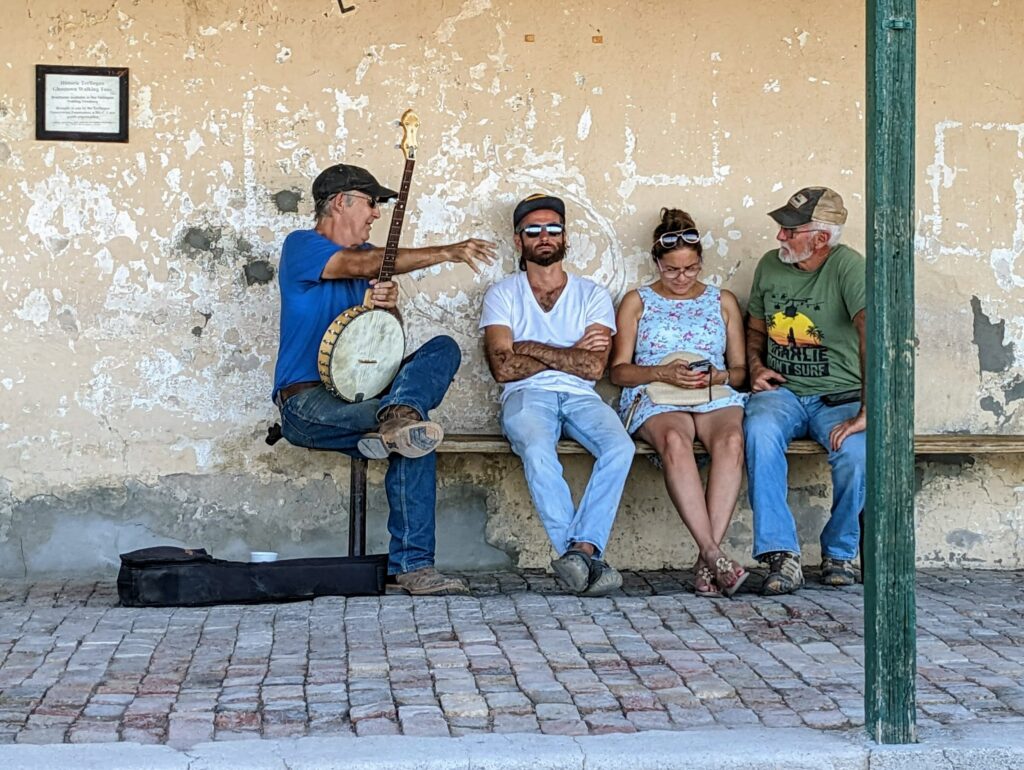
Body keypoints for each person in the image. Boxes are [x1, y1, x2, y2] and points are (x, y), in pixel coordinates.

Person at [272, 163, 496, 595]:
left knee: (436, 365)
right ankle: (412, 560)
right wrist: (448, 251)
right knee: (416, 432)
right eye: (371, 203)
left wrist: (388, 308)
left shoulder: (366, 262)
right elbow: (364, 263)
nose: (376, 214)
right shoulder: (302, 246)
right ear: (342, 202)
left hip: (367, 396)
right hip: (306, 404)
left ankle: (399, 417)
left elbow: (381, 350)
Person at [480, 194, 635, 596]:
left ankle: (580, 551)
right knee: (536, 447)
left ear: (566, 237)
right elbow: (503, 368)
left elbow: (593, 369)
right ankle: (582, 557)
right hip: (526, 395)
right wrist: (570, 352)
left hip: (582, 396)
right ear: (519, 241)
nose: (544, 236)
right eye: (533, 230)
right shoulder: (503, 294)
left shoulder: (592, 295)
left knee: (620, 447)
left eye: (553, 228)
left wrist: (528, 346)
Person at [609, 208, 749, 597]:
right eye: (672, 270)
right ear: (657, 262)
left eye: (690, 269)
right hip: (656, 393)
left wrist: (717, 376)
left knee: (731, 441)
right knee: (674, 441)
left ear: (701, 262)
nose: (682, 278)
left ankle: (708, 564)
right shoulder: (637, 302)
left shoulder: (723, 301)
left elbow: (739, 372)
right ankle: (713, 554)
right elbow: (618, 371)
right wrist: (661, 373)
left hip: (711, 391)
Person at [744, 186, 866, 595]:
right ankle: (781, 554)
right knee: (758, 432)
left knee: (856, 453)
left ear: (821, 238)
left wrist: (869, 410)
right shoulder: (769, 266)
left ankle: (840, 552)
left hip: (840, 396)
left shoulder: (849, 268)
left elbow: (874, 335)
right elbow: (756, 328)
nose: (780, 236)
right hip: (785, 392)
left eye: (790, 230)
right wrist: (756, 366)